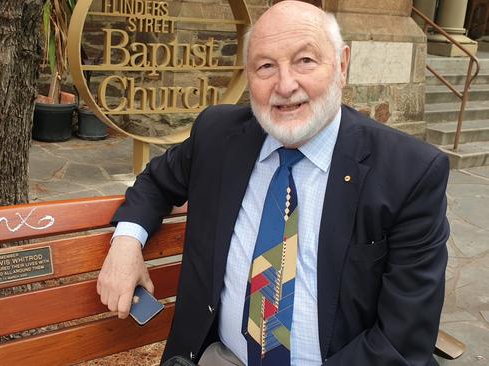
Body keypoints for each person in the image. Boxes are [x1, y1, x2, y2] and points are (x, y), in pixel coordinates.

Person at [96, 1, 449, 365]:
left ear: (342, 65)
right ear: (249, 76)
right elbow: (156, 182)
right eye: (266, 66)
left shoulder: (409, 173)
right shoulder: (219, 136)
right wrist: (125, 243)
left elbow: (401, 341)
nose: (285, 85)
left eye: (305, 61)